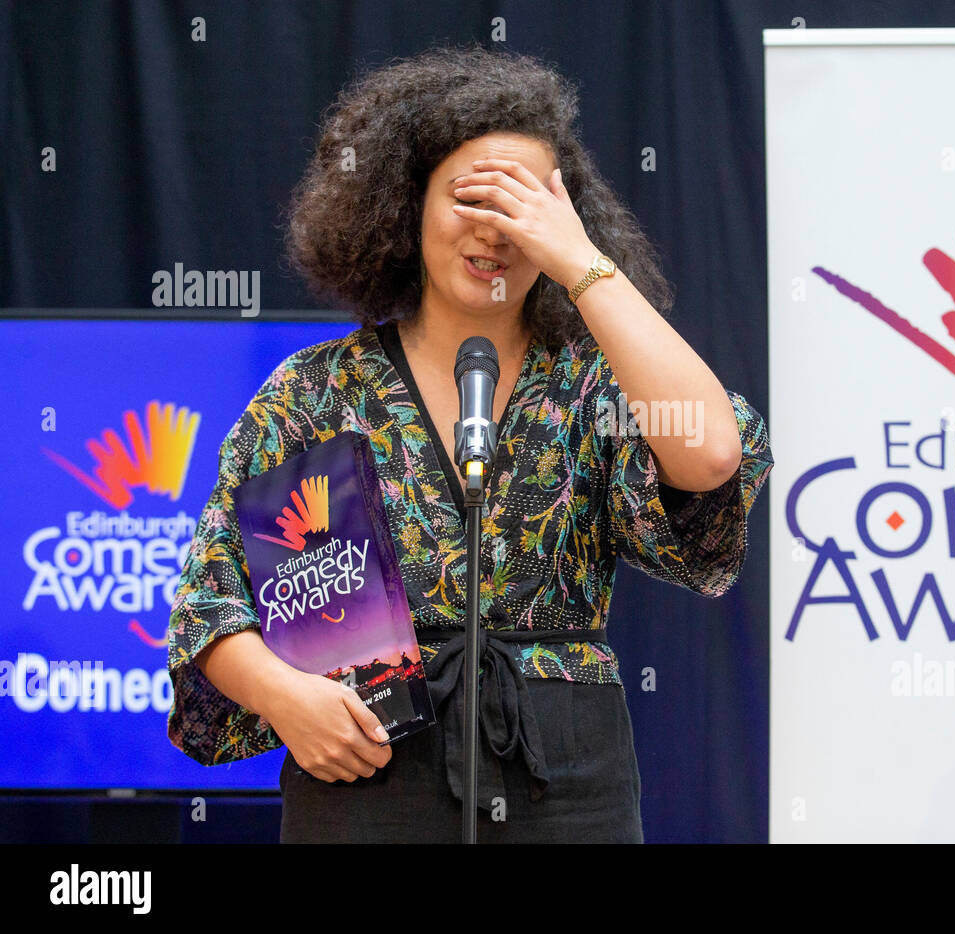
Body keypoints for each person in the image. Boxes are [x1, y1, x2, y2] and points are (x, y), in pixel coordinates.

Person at [166, 44, 773, 843]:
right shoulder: (314, 392)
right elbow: (210, 603)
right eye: (470, 198)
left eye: (523, 207)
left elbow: (712, 456)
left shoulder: (591, 386)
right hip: (367, 764)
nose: (495, 231)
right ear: (405, 202)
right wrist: (286, 697)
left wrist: (581, 261)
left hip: (563, 776)